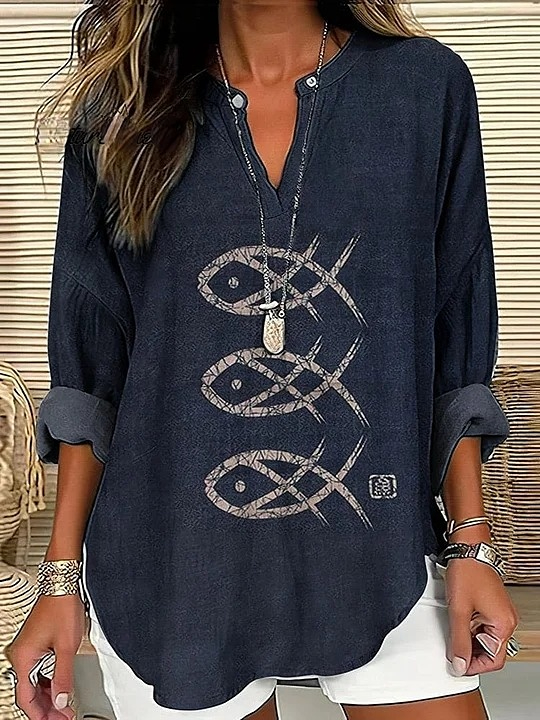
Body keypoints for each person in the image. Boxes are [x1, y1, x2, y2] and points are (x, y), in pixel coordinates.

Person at [5, 2, 519, 719]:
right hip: (174, 566)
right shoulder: (122, 110)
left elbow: (453, 334)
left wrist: (471, 542)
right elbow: (93, 375)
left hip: (384, 548)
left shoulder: (424, 89)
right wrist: (59, 581)